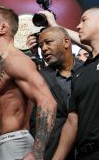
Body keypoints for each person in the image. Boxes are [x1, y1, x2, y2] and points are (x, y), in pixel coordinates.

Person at [0, 5, 57, 160]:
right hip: (4, 145)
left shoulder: (15, 60)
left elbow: (48, 102)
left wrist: (37, 153)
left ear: (3, 28)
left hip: (16, 144)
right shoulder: (3, 64)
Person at [50, 7, 99, 160]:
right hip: (84, 155)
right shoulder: (81, 72)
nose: (78, 26)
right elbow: (73, 121)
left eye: (84, 20)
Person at [27, 26, 83, 160]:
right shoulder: (37, 78)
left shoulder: (88, 71)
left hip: (87, 151)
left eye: (48, 42)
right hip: (51, 153)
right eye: (41, 46)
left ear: (66, 42)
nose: (44, 48)